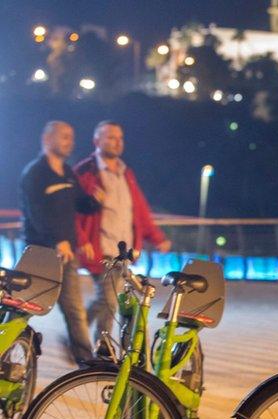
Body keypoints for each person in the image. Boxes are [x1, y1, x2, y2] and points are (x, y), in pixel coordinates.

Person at [74, 120, 171, 344]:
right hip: (100, 249)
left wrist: (157, 238)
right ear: (97, 140)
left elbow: (139, 211)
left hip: (123, 252)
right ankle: (102, 348)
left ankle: (76, 332)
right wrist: (81, 239)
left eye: (120, 138)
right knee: (109, 299)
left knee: (107, 299)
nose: (117, 142)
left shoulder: (126, 173)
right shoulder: (85, 172)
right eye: (111, 137)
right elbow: (72, 211)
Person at [18, 121, 103, 366]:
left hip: (67, 255)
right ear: (47, 139)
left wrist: (95, 201)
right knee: (23, 306)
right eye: (64, 136)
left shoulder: (67, 172)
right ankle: (8, 345)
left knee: (74, 308)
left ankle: (85, 361)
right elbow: (36, 215)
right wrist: (57, 240)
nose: (70, 141)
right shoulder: (35, 173)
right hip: (39, 255)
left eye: (71, 137)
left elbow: (80, 204)